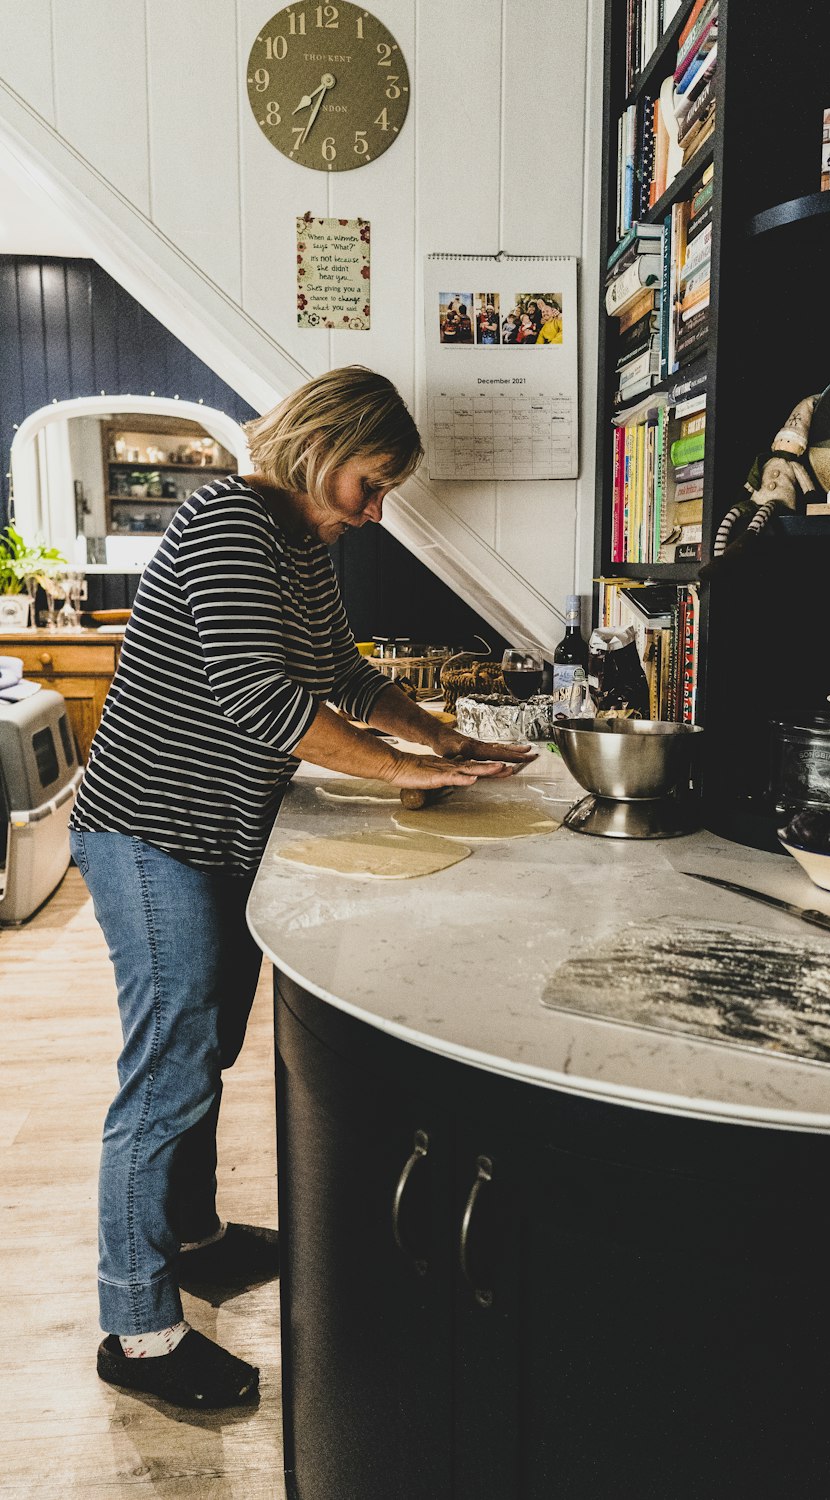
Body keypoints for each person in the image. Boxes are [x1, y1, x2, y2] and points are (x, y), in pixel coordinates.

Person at [69, 366, 533, 1412]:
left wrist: (440, 735)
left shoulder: (300, 546)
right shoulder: (229, 521)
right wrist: (408, 773)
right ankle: (136, 1330)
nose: (373, 513)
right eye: (369, 485)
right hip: (149, 835)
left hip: (217, 838)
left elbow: (343, 675)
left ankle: (192, 1236)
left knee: (205, 1054)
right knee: (167, 1070)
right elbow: (256, 695)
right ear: (320, 444)